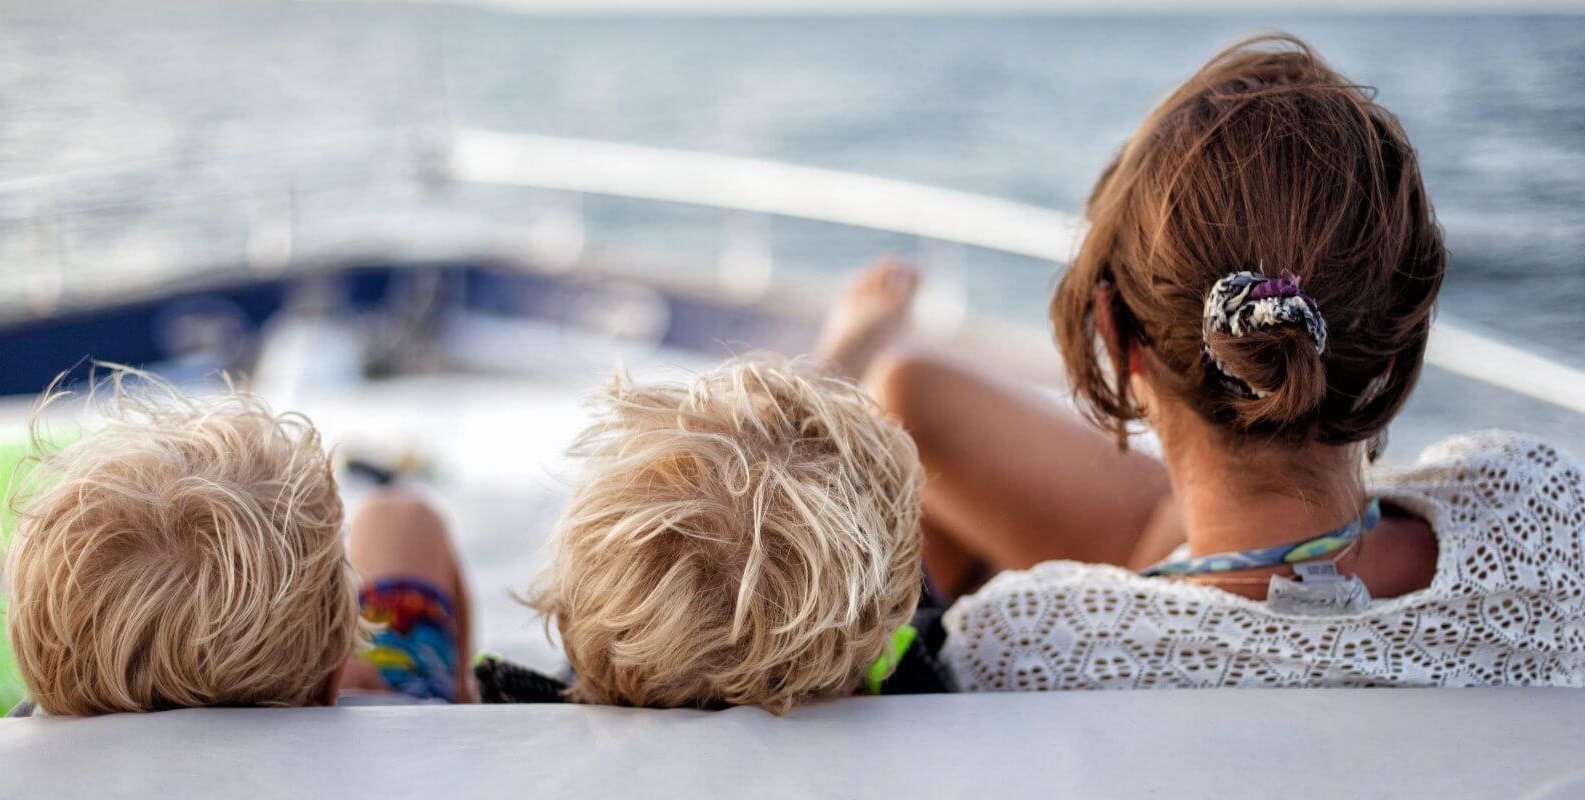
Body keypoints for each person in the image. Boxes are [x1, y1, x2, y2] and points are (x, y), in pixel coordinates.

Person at [842, 34, 1585, 690]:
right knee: (911, 395)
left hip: (1177, 576)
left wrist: (838, 361)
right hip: (1242, 547)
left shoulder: (1025, 642)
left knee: (897, 399)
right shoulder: (1542, 515)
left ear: (1115, 332)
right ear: (1399, 334)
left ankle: (852, 353)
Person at [2, 368, 476, 715]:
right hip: (391, 713)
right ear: (332, 681)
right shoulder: (388, 719)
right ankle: (462, 699)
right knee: (400, 515)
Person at [508, 353, 942, 715]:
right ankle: (831, 365)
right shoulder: (937, 685)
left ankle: (834, 358)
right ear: (905, 598)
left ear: (571, 602)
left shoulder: (515, 701)